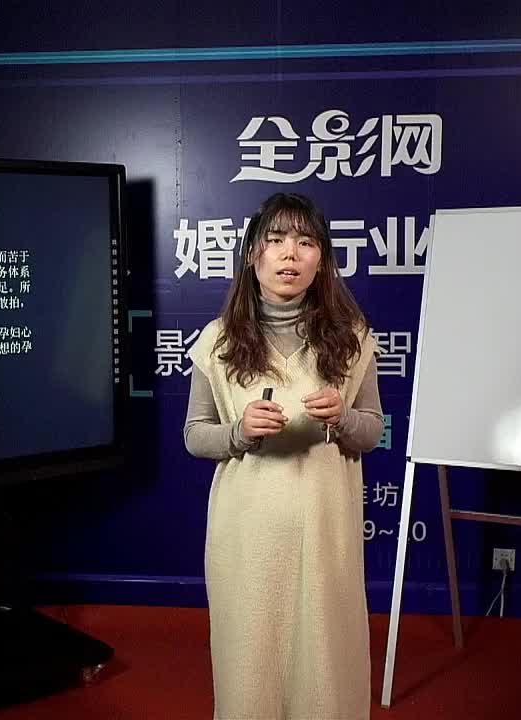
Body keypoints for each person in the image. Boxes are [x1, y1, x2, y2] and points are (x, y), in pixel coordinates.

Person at [184, 192, 385, 720]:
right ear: (253, 254)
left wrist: (343, 417)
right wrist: (239, 432)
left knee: (327, 667)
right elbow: (195, 435)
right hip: (246, 537)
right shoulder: (219, 341)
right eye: (275, 240)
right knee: (251, 667)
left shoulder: (352, 338)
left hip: (327, 532)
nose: (289, 254)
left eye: (305, 242)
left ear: (323, 259)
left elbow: (372, 431)